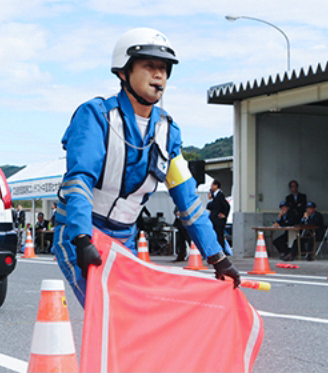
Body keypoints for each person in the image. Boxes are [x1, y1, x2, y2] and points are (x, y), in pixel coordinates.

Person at [52, 28, 240, 306]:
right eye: (149, 66)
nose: (159, 75)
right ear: (123, 71)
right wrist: (81, 237)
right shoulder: (96, 116)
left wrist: (218, 257)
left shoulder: (168, 132)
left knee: (132, 319)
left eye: (164, 68)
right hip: (83, 233)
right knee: (109, 318)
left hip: (125, 239)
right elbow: (79, 180)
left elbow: (188, 201)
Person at [206, 179, 230, 251]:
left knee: (219, 235)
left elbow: (226, 206)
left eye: (212, 185)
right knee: (215, 236)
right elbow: (211, 206)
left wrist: (224, 215)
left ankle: (221, 250)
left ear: (216, 186)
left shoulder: (220, 195)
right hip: (214, 219)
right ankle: (217, 250)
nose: (211, 186)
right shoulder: (215, 196)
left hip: (218, 220)